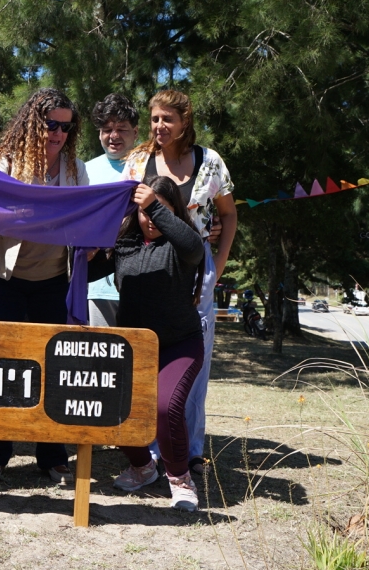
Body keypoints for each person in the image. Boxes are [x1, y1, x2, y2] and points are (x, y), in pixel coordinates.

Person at [0, 87, 88, 485]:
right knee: (2, 366)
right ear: (32, 122)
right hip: (2, 279)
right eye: (51, 124)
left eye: (66, 127)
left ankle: (52, 454)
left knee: (53, 365)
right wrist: (11, 215)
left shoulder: (74, 169)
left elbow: (85, 216)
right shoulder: (2, 160)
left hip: (52, 280)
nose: (58, 133)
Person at [123, 89, 237, 477]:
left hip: (195, 263)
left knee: (193, 361)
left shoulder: (210, 161)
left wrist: (217, 264)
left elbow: (228, 215)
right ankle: (151, 447)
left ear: (184, 121)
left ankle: (189, 451)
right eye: (155, 118)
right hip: (149, 264)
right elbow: (123, 212)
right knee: (149, 358)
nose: (160, 126)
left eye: (167, 119)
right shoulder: (138, 161)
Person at [88, 176, 206, 511]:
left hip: (179, 345)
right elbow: (83, 271)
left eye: (160, 210)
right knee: (110, 404)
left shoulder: (182, 246)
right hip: (135, 349)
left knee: (165, 407)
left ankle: (180, 479)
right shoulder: (124, 246)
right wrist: (88, 253)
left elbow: (194, 247)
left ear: (173, 212)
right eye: (144, 212)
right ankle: (143, 468)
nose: (151, 219)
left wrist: (152, 203)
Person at [85, 94, 140, 327]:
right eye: (107, 129)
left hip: (141, 284)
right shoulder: (83, 171)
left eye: (122, 129)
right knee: (99, 350)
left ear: (135, 132)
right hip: (96, 288)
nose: (114, 136)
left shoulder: (150, 166)